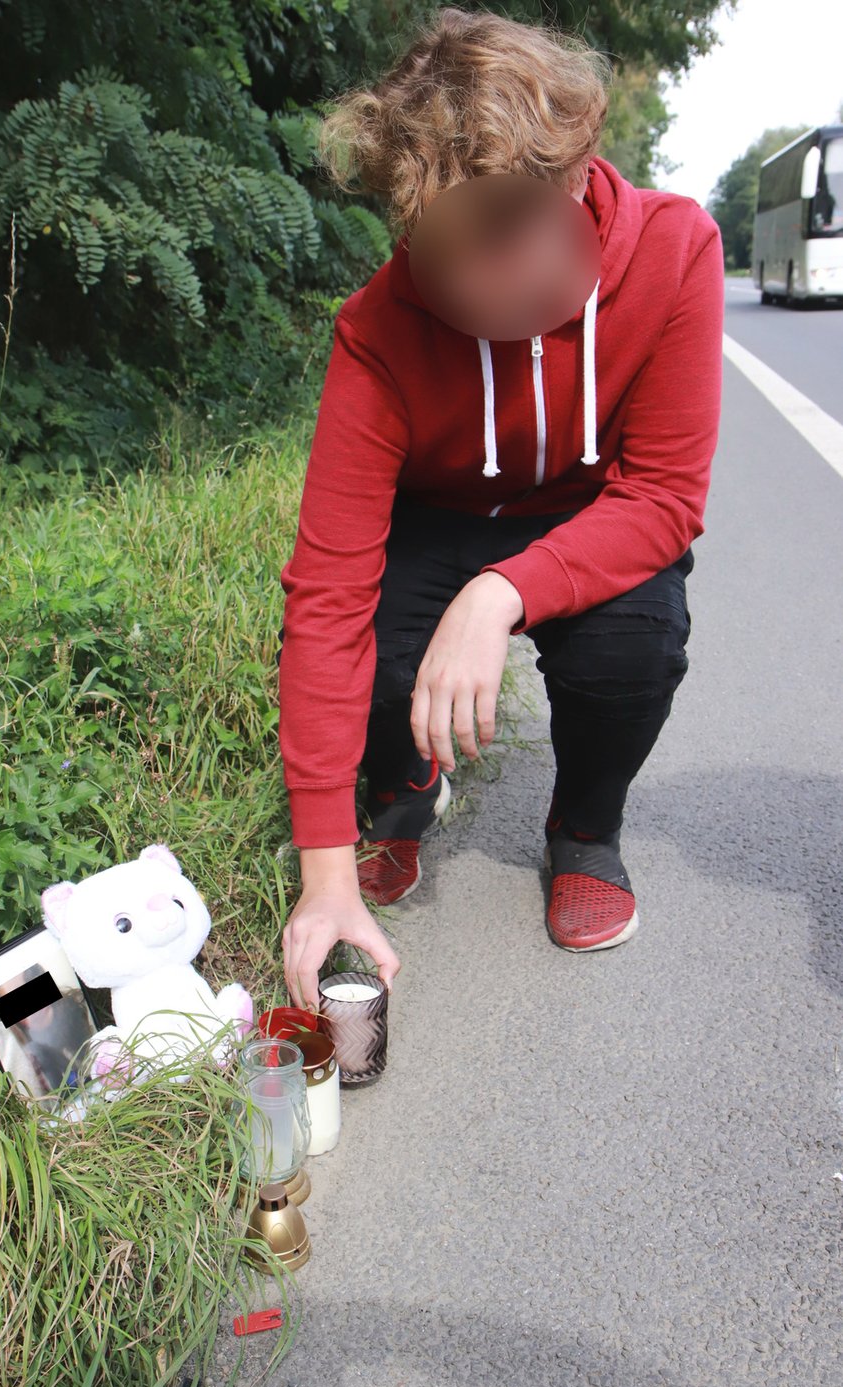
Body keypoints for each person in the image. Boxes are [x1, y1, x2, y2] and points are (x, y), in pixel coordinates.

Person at [277, 6, 724, 1011]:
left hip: (589, 512)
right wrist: (324, 876)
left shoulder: (676, 251)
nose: (472, 292)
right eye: (439, 256)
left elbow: (661, 497)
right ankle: (400, 787)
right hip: (442, 516)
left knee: (636, 644)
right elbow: (327, 595)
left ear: (574, 177)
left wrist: (501, 594)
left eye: (503, 239)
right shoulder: (378, 332)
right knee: (385, 644)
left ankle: (584, 824)